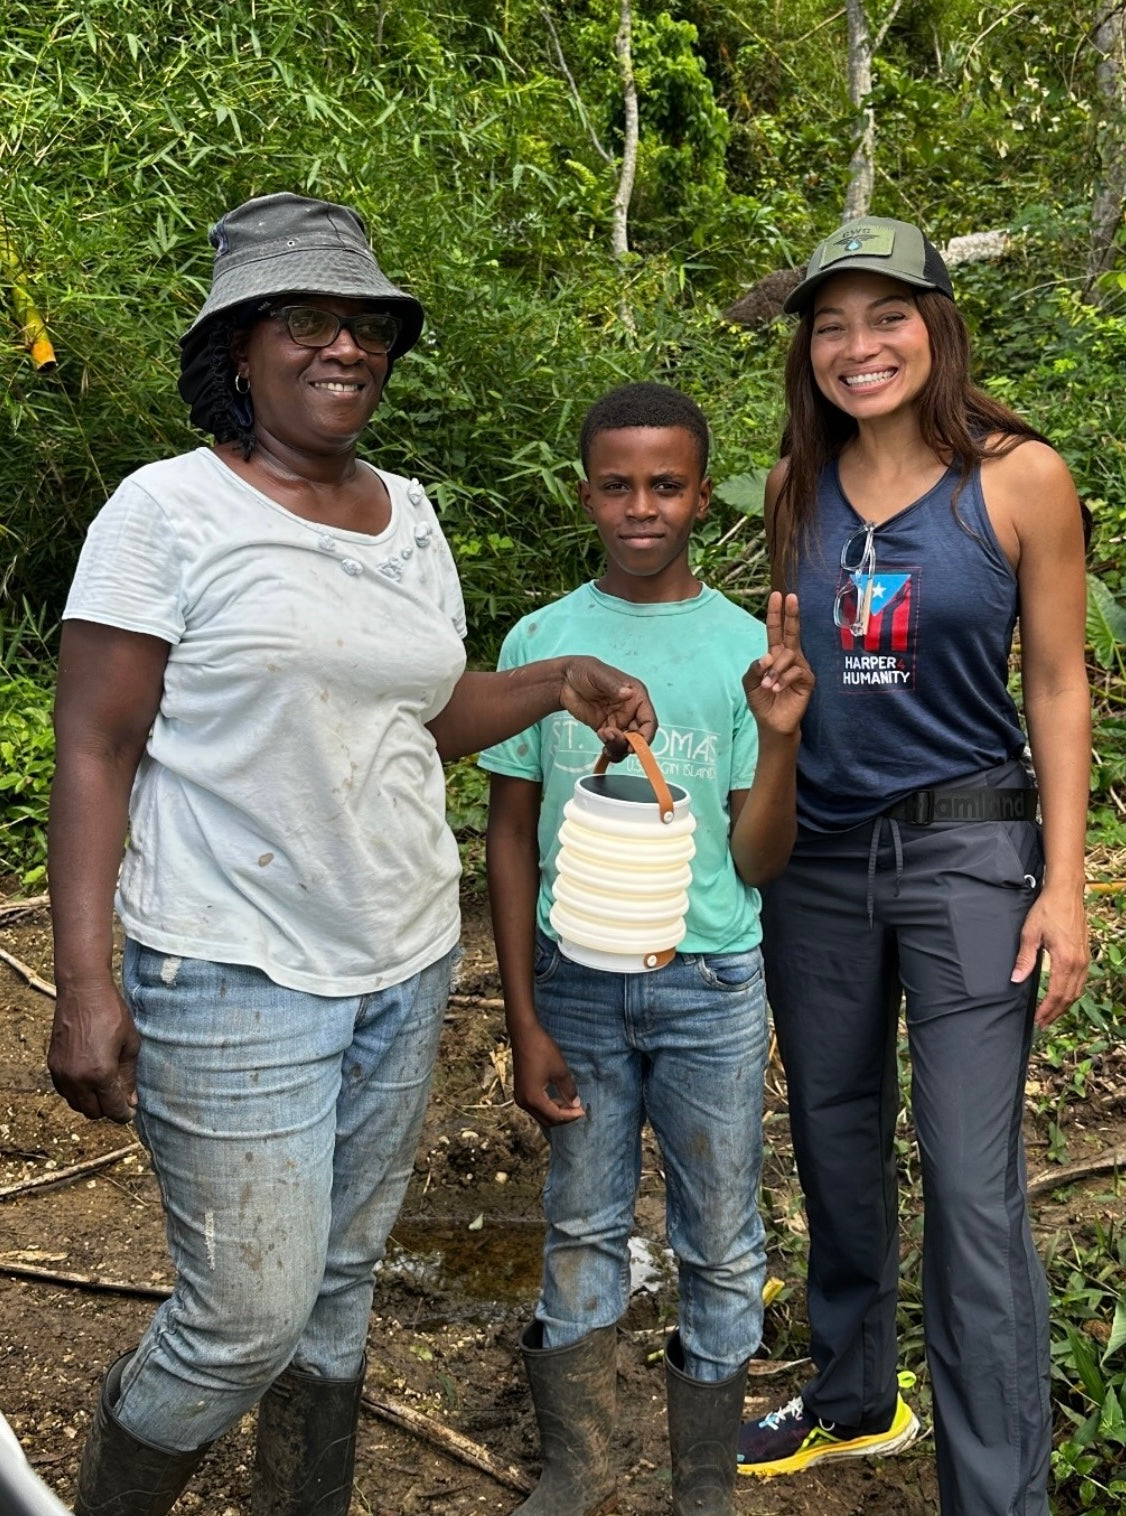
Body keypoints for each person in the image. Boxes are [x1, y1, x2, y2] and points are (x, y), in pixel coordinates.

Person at [46, 192, 658, 1516]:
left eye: (366, 326)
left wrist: (552, 680)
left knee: (335, 1290)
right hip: (231, 968)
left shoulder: (410, 514)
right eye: (305, 320)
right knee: (243, 1319)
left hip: (402, 958)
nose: (344, 347)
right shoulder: (167, 512)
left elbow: (421, 717)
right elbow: (95, 745)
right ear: (240, 347)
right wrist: (85, 984)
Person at [735, 218, 1090, 1516]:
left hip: (969, 850)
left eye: (886, 315)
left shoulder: (1018, 479)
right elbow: (793, 681)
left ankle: (996, 1496)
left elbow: (1056, 681)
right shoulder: (794, 486)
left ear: (935, 327)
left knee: (969, 1184)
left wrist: (1064, 882)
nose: (857, 345)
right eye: (830, 324)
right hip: (820, 863)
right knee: (833, 1143)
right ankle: (850, 1397)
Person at [480, 382, 814, 1516]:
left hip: (709, 986)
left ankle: (702, 1483)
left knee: (720, 1237)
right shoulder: (540, 644)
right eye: (617, 486)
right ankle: (578, 1465)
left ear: (701, 496)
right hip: (574, 984)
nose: (641, 508)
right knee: (581, 1221)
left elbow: (758, 859)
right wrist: (524, 1017)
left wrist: (778, 741)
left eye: (665, 486)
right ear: (586, 494)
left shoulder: (740, 650)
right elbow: (510, 836)